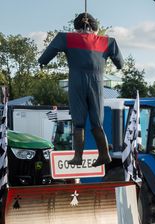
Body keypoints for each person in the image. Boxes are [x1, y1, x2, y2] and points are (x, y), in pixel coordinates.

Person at [38, 12, 123, 167]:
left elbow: (50, 51)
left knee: (79, 121)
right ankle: (104, 154)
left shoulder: (66, 38)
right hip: (97, 83)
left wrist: (42, 61)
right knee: (97, 121)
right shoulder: (108, 41)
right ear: (95, 28)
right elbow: (120, 63)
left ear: (77, 28)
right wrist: (117, 65)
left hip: (77, 81)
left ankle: (78, 157)